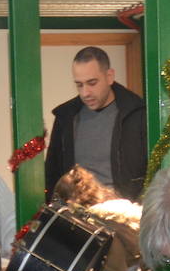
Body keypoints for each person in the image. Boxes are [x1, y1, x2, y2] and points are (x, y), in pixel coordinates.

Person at [43, 45, 147, 201]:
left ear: (110, 76)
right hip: (77, 216)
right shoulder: (66, 118)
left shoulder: (138, 114)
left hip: (126, 215)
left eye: (92, 83)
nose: (85, 92)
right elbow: (52, 173)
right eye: (79, 84)